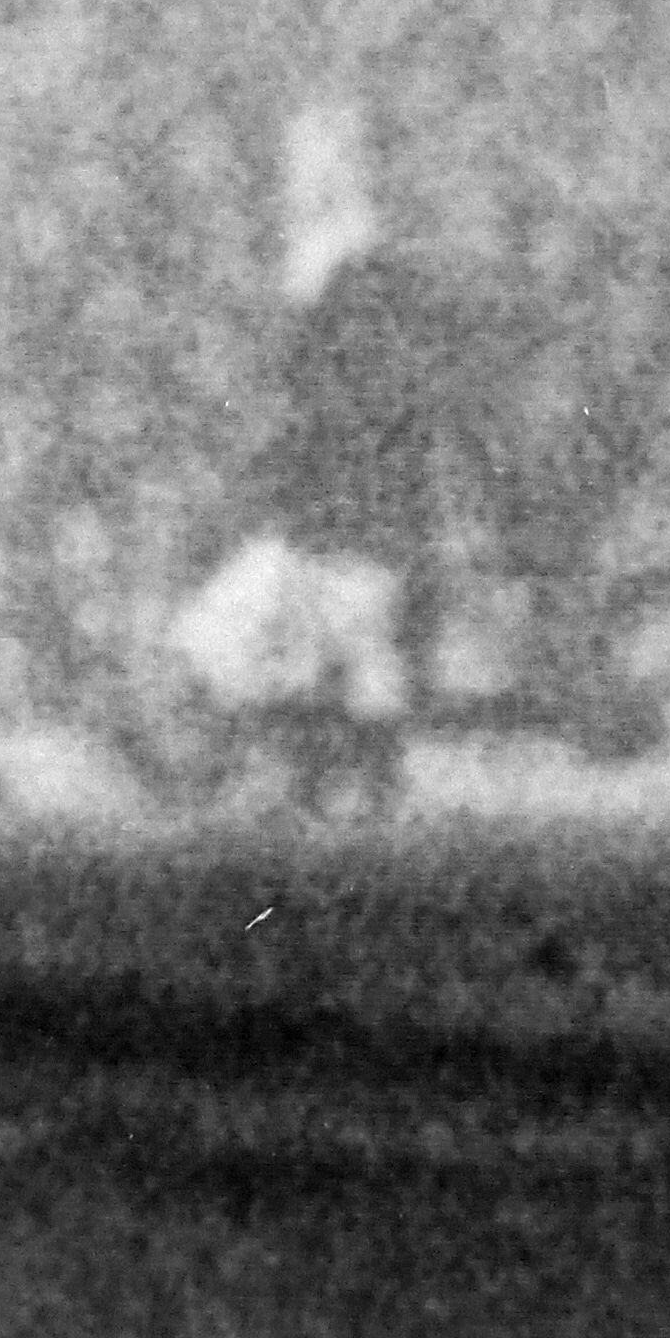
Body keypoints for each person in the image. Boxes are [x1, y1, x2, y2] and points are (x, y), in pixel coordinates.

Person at [167, 98, 489, 810]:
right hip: (318, 550)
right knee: (270, 661)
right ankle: (310, 783)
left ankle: (350, 789)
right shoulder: (330, 378)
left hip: (350, 554)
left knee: (350, 672)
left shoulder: (383, 393)